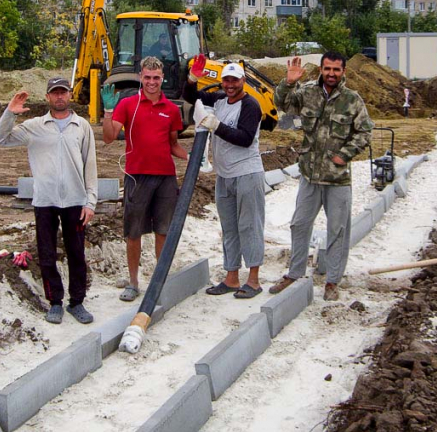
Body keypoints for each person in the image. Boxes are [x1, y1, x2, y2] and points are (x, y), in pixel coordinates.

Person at [269, 51, 373, 301]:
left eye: (336, 70)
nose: (331, 74)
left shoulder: (352, 100)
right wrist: (289, 82)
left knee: (338, 230)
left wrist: (344, 155)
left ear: (343, 72)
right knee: (299, 224)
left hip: (337, 178)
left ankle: (332, 282)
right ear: (321, 69)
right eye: (327, 69)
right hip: (309, 174)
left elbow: (365, 132)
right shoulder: (307, 93)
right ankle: (294, 273)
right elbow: (281, 104)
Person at [0, 77, 98, 325]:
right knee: (47, 254)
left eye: (63, 92)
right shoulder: (34, 127)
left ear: (70, 95)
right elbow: (0, 139)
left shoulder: (81, 126)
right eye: (54, 93)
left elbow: (90, 166)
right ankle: (55, 303)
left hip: (75, 201)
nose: (59, 97)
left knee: (76, 253)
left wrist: (90, 202)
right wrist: (10, 113)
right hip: (45, 201)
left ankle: (77, 302)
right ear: (48, 97)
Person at [101, 56, 188, 302]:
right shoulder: (128, 105)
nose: (151, 82)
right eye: (147, 77)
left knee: (163, 231)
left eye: (156, 77)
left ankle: (159, 281)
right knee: (134, 232)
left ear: (163, 78)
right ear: (141, 77)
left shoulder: (171, 110)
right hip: (136, 177)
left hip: (165, 179)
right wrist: (108, 111)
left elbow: (173, 145)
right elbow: (109, 138)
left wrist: (191, 158)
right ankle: (133, 282)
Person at [183, 56, 266, 299]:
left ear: (242, 81)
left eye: (234, 80)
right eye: (226, 80)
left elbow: (245, 138)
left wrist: (217, 126)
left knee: (250, 225)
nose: (230, 85)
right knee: (229, 227)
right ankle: (231, 277)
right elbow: (191, 97)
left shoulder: (251, 106)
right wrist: (192, 78)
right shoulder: (220, 98)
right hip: (225, 174)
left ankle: (253, 279)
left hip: (247, 173)